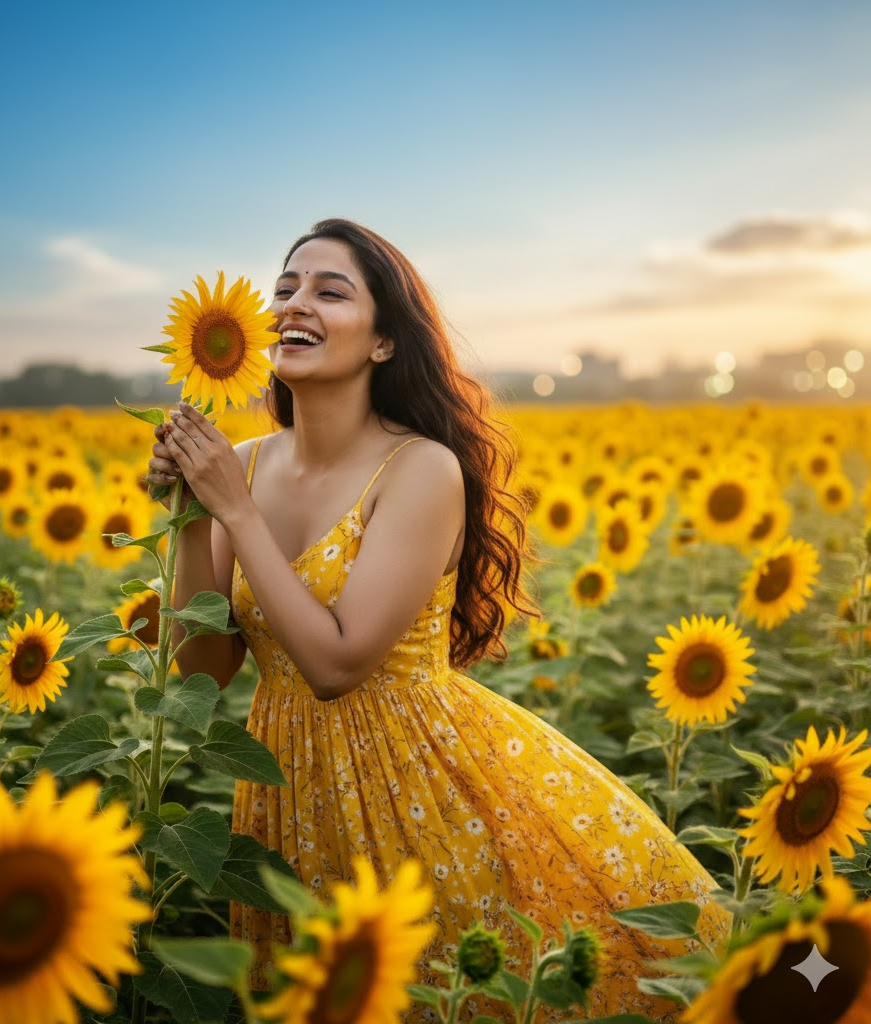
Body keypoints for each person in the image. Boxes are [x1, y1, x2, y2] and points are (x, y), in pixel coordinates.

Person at [147, 218, 730, 1022]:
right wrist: (189, 510)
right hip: (287, 792)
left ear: (385, 341)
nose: (294, 303)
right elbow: (203, 671)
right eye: (284, 289)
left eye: (329, 291)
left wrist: (234, 512)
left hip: (414, 785)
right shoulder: (241, 464)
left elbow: (337, 665)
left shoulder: (420, 468)